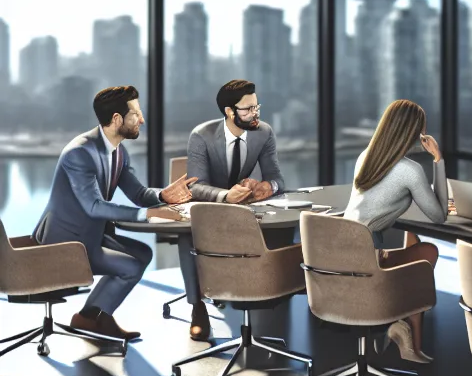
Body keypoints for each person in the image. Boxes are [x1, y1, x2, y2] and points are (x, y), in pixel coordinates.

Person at [33, 86, 193, 342]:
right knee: (130, 265)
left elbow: (138, 194)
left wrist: (163, 196)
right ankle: (94, 317)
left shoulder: (118, 151)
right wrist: (150, 214)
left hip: (89, 235)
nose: (141, 119)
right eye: (136, 114)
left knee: (143, 253)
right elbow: (93, 206)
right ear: (117, 119)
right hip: (65, 243)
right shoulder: (80, 153)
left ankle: (91, 316)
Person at [180, 79, 286, 340]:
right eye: (247, 109)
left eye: (256, 107)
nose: (255, 114)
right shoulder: (201, 136)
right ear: (229, 111)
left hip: (244, 211)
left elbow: (278, 179)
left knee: (282, 230)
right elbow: (195, 187)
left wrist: (267, 187)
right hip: (209, 207)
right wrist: (227, 195)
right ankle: (197, 307)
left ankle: (263, 294)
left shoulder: (263, 132)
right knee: (187, 236)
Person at [344, 99, 447, 362]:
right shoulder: (409, 171)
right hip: (368, 265)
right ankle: (404, 333)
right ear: (413, 133)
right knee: (427, 253)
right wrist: (438, 159)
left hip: (339, 259)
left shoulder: (365, 157)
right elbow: (439, 215)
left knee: (416, 244)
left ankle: (403, 331)